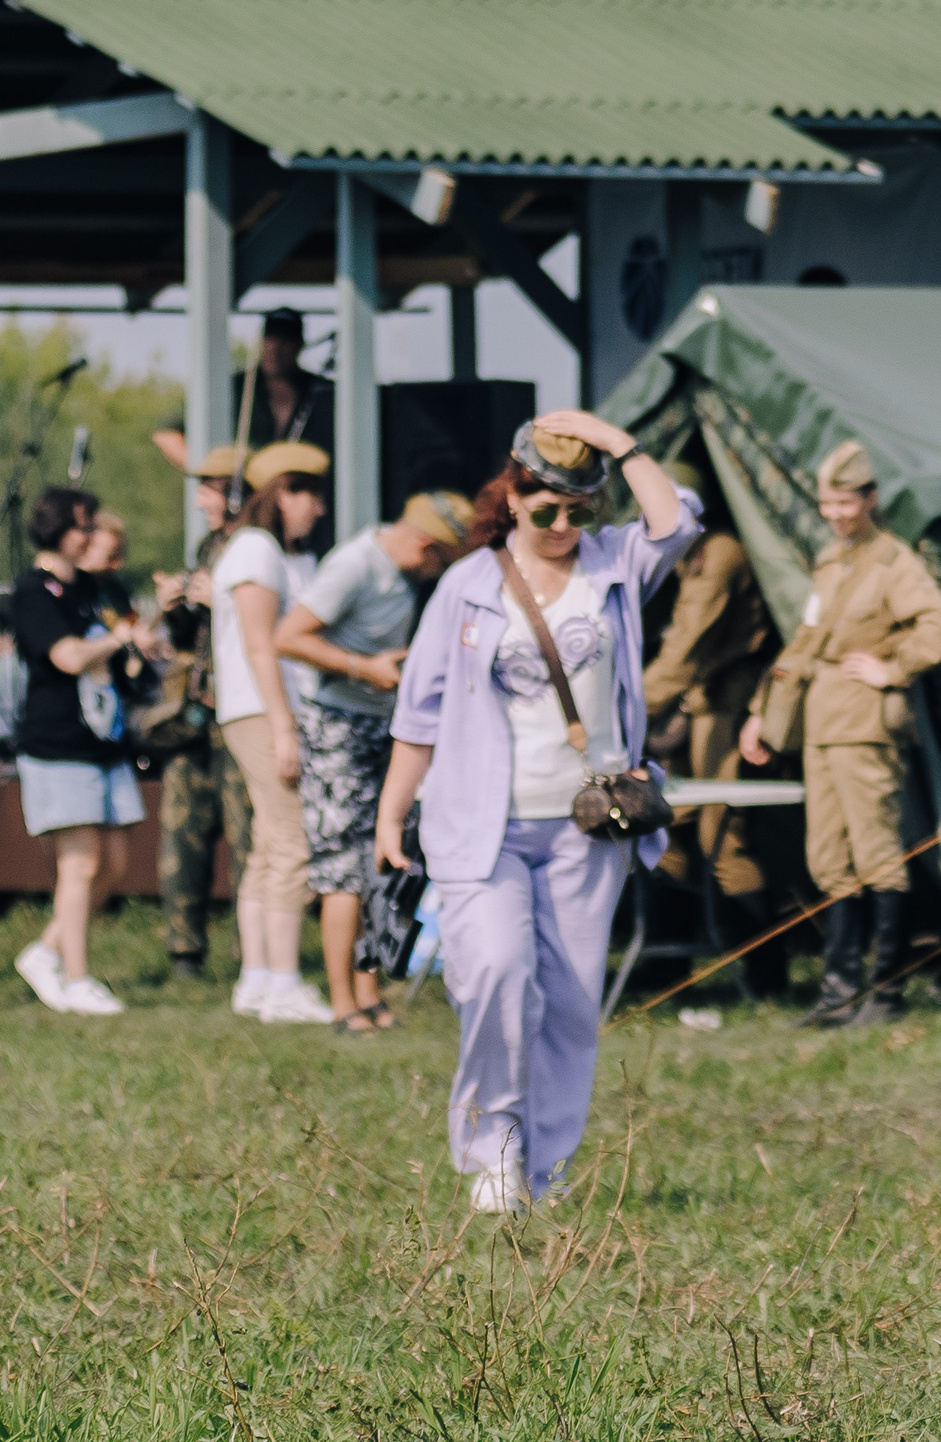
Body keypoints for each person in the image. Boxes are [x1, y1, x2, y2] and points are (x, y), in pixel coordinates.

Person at [377, 413, 697, 1214]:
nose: (562, 526)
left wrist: (611, 438)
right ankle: (493, 1146)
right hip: (479, 822)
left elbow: (677, 520)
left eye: (579, 510)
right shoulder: (468, 583)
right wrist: (391, 814)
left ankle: (542, 1169)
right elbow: (419, 712)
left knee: (566, 1002)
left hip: (588, 825)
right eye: (546, 508)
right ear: (511, 497)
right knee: (494, 973)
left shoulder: (616, 563)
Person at [738, 439, 941, 1027]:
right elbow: (807, 639)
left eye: (844, 502)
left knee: (877, 854)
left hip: (864, 725)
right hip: (821, 721)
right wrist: (763, 709)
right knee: (828, 857)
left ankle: (885, 992)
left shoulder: (892, 562)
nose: (834, 514)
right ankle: (838, 990)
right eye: (825, 503)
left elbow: (939, 624)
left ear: (870, 498)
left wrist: (893, 668)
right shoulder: (831, 561)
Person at [276, 490, 467, 1032]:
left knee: (381, 862)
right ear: (426, 544)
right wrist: (363, 668)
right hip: (337, 724)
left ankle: (370, 991)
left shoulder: (400, 572)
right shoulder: (355, 565)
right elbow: (286, 637)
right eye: (440, 561)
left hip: (383, 723)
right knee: (342, 867)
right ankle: (342, 1004)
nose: (437, 573)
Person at [10, 487, 153, 1015]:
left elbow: (125, 636)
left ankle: (45, 952)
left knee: (114, 863)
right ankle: (76, 978)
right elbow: (69, 656)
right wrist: (120, 642)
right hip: (56, 747)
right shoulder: (31, 592)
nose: (93, 536)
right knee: (81, 864)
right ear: (59, 531)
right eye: (85, 526)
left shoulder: (93, 589)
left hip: (105, 743)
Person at [641, 466, 782, 991]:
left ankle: (767, 972)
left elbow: (685, 649)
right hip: (696, 701)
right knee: (667, 827)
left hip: (727, 703)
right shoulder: (688, 552)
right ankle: (666, 964)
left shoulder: (718, 553)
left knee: (722, 836)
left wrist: (624, 709)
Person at [212, 441, 337, 1023]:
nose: (317, 506)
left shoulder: (261, 552)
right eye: (307, 493)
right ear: (279, 493)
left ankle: (258, 978)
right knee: (292, 842)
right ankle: (283, 982)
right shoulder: (256, 550)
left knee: (268, 846)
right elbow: (260, 645)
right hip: (263, 711)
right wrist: (285, 728)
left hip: (255, 710)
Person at [149, 448, 256, 980]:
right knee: (181, 834)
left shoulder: (259, 549)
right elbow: (196, 637)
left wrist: (224, 601)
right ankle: (184, 952)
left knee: (247, 838)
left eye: (210, 489)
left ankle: (253, 953)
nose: (201, 500)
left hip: (242, 716)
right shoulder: (208, 546)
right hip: (196, 716)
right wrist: (179, 609)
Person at [152, 307, 336, 474]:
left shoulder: (322, 390)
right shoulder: (233, 387)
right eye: (269, 338)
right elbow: (167, 434)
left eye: (285, 340)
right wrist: (212, 474)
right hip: (245, 500)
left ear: (299, 345)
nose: (275, 348)